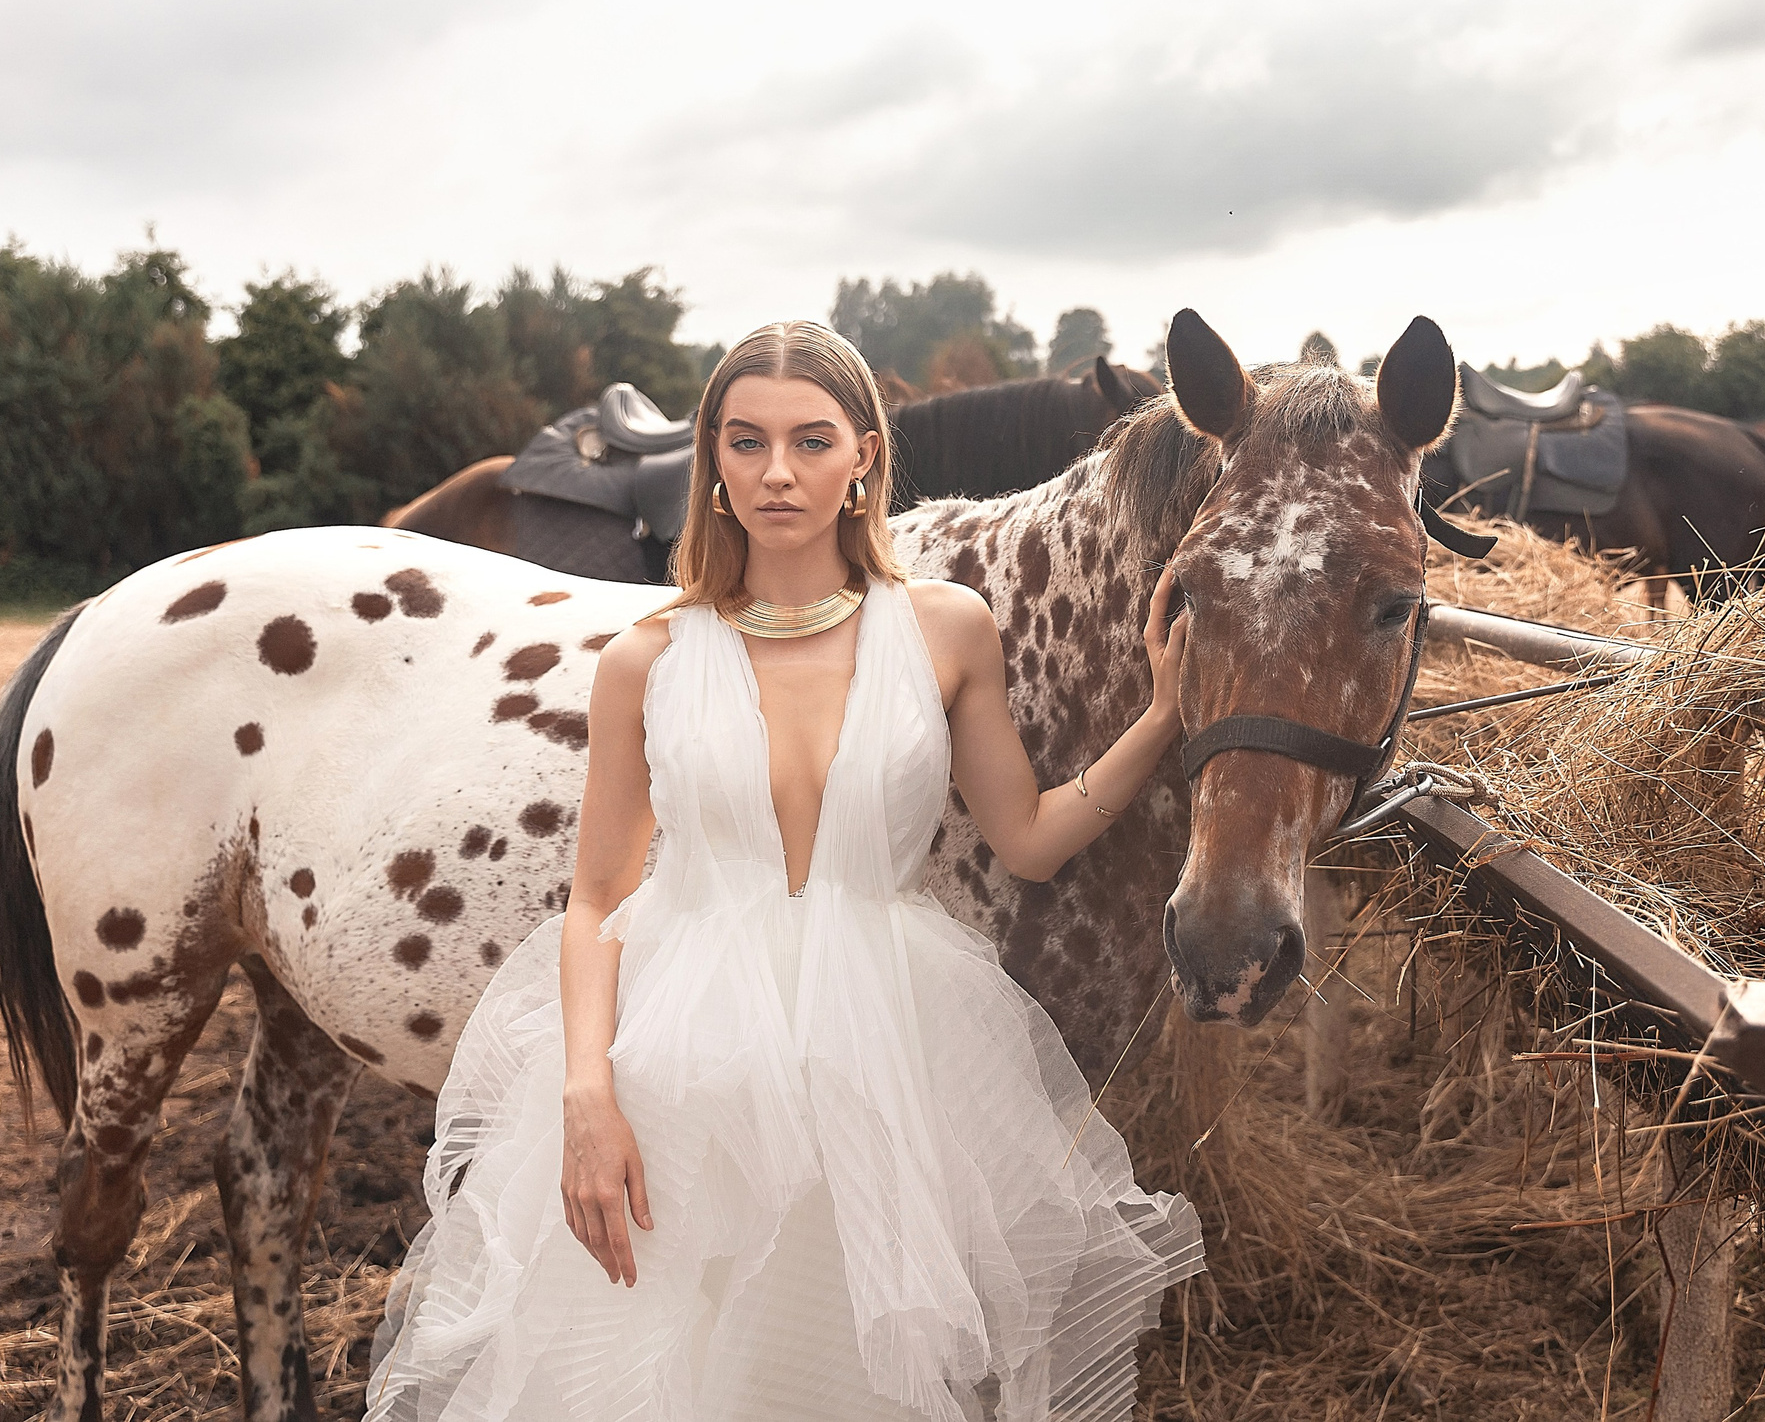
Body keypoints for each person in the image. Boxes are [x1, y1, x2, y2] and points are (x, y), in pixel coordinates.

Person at [368, 321, 1206, 1422]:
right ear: (711, 457)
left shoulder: (950, 630)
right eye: (746, 441)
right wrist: (586, 1095)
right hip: (681, 1056)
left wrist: (1155, 719)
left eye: (811, 441)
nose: (776, 473)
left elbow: (1030, 839)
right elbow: (597, 898)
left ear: (864, 454)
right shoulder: (649, 657)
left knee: (854, 1371)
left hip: (890, 1054)